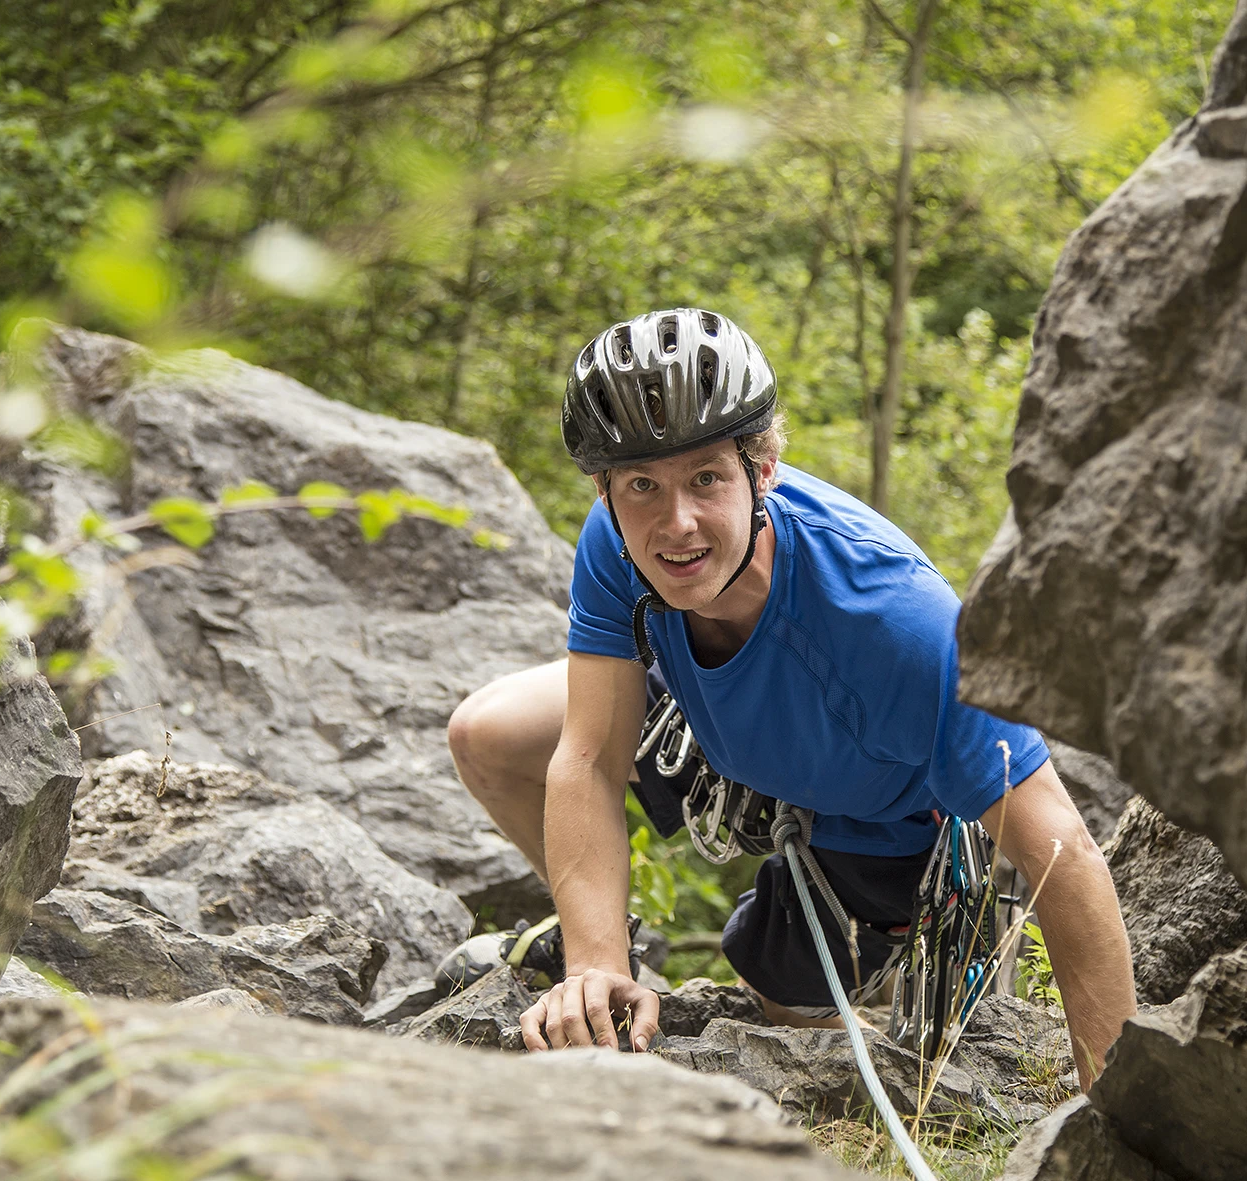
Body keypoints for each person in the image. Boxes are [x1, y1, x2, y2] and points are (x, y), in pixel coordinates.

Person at [448, 307, 1136, 1089]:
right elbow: (589, 758)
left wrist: (1112, 1114)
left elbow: (1061, 854)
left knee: (784, 1003)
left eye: (707, 478)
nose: (676, 523)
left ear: (763, 469)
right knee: (487, 734)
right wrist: (596, 963)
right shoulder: (617, 540)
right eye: (642, 484)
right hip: (715, 723)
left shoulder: (899, 624)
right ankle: (612, 952)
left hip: (880, 817)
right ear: (606, 492)